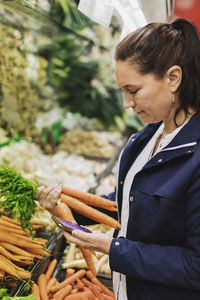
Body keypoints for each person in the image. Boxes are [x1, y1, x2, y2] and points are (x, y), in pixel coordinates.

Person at [37, 18, 200, 300]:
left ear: (173, 78)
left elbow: (195, 265)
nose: (126, 103)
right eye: (122, 91)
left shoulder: (195, 155)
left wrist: (113, 248)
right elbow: (129, 205)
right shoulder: (145, 139)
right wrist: (63, 210)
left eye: (133, 90)